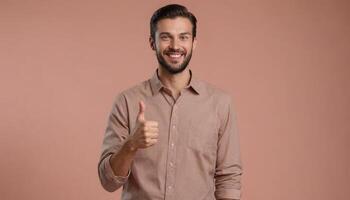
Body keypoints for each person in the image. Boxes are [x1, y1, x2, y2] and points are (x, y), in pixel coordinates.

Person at [98, 4, 243, 200]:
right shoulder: (127, 101)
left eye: (183, 37)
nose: (175, 46)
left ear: (194, 42)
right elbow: (108, 182)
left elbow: (229, 180)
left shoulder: (220, 104)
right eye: (166, 37)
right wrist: (131, 144)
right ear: (152, 42)